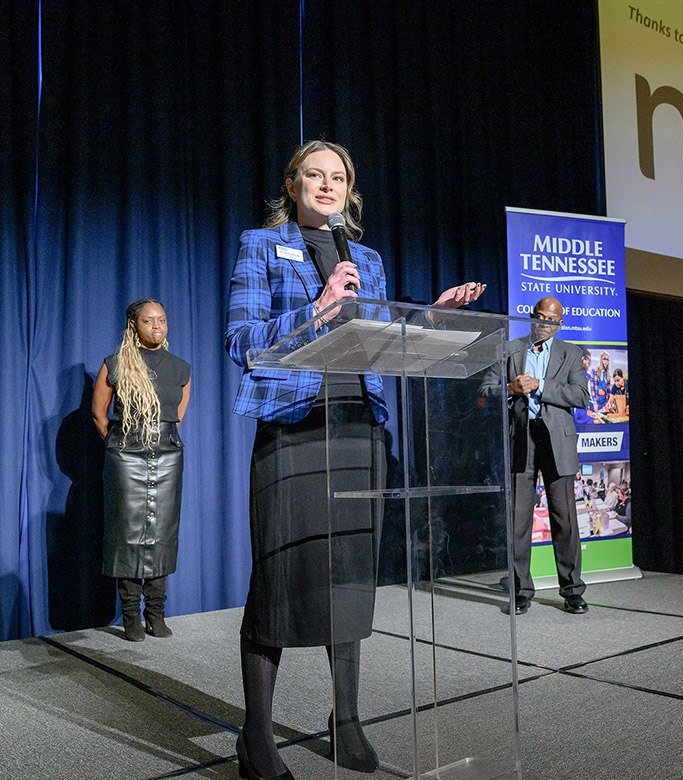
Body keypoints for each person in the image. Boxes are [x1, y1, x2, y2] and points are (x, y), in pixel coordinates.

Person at [224, 139, 483, 780]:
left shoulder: (363, 256)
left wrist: (424, 318)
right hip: (293, 429)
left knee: (348, 582)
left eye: (337, 176)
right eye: (313, 174)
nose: (327, 184)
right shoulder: (259, 245)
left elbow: (375, 339)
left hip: (357, 430)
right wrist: (316, 310)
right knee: (281, 579)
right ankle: (257, 735)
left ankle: (349, 718)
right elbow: (241, 341)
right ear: (291, 185)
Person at [480, 296, 590, 615]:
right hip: (521, 440)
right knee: (518, 521)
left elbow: (581, 396)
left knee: (564, 519)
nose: (545, 325)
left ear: (561, 324)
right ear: (531, 316)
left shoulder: (571, 353)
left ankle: (572, 591)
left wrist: (540, 385)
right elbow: (485, 392)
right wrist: (512, 388)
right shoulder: (509, 349)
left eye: (552, 321)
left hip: (557, 441)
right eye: (541, 317)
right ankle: (520, 590)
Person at [91, 299, 191, 642]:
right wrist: (122, 445)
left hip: (167, 454)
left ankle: (156, 613)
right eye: (149, 321)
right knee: (128, 536)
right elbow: (99, 414)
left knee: (162, 534)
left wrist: (157, 439)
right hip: (126, 456)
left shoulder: (180, 367)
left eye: (162, 320)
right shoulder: (115, 364)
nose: (157, 326)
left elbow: (177, 414)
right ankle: (131, 616)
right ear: (134, 325)